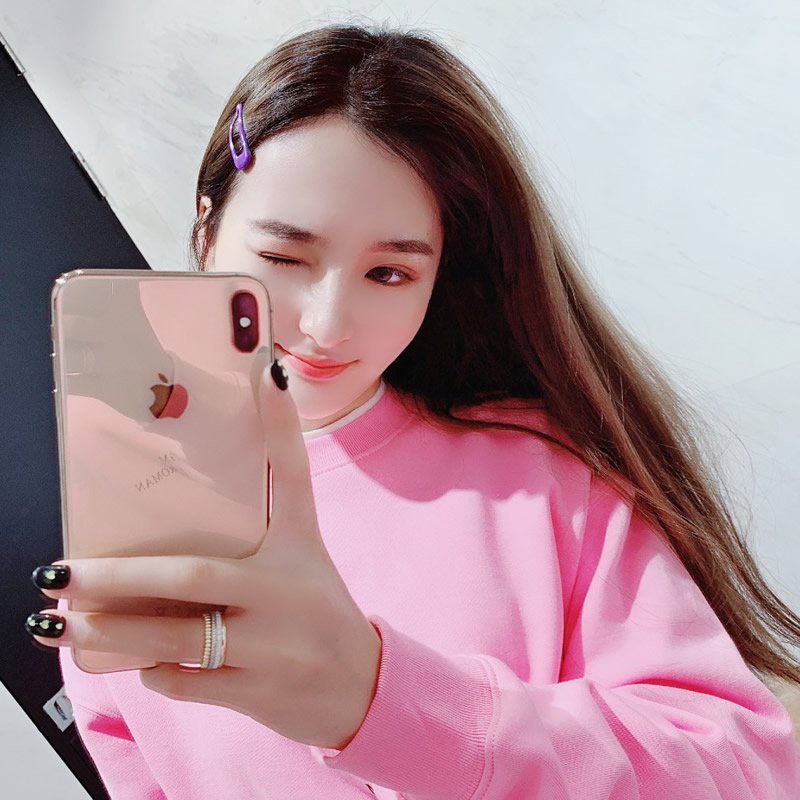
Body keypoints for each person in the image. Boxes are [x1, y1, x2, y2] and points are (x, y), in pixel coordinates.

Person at [26, 22, 800, 799]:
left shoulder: (547, 478)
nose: (328, 324)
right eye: (285, 257)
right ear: (206, 230)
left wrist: (380, 700)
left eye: (389, 273)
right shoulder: (129, 548)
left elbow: (750, 775)